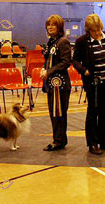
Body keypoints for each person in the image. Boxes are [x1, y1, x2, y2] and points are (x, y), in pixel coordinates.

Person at [73, 14, 105, 155]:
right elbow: (75, 61)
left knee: (104, 112)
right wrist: (84, 71)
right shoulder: (82, 41)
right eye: (94, 31)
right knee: (93, 112)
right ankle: (93, 143)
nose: (97, 33)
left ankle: (104, 141)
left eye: (99, 30)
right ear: (88, 30)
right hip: (93, 83)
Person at [41, 15, 72, 151]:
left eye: (53, 25)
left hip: (61, 84)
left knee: (59, 113)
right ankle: (58, 139)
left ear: (59, 27)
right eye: (48, 24)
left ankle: (59, 141)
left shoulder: (63, 42)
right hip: (51, 84)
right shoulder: (51, 42)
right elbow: (48, 60)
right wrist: (44, 69)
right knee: (53, 113)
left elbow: (66, 62)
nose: (50, 27)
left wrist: (50, 71)